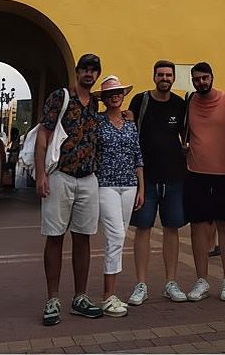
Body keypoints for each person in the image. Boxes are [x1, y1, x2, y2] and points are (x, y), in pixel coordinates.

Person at [36, 53, 105, 325]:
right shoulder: (60, 97)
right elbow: (44, 134)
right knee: (54, 236)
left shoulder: (96, 103)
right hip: (61, 175)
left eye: (93, 70)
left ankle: (80, 297)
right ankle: (52, 298)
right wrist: (41, 174)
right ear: (77, 72)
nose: (89, 74)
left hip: (87, 177)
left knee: (83, 237)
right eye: (85, 69)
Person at [127, 60, 190, 305]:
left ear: (173, 78)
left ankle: (170, 282)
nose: (164, 78)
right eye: (160, 74)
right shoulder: (141, 101)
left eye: (168, 75)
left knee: (171, 229)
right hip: (147, 178)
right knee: (142, 230)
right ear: (154, 77)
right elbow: (130, 130)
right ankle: (141, 284)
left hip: (175, 177)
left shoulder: (179, 104)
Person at [183, 61, 225, 302]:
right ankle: (202, 280)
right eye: (197, 79)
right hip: (195, 173)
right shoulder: (189, 102)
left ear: (212, 77)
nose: (201, 82)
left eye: (205, 78)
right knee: (197, 227)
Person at [94, 76, 144, 317]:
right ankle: (108, 295)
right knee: (115, 236)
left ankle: (111, 293)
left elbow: (138, 157)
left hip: (129, 185)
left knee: (120, 236)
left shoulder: (130, 125)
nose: (116, 95)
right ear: (103, 99)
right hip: (106, 185)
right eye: (111, 93)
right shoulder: (96, 123)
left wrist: (141, 187)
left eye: (119, 92)